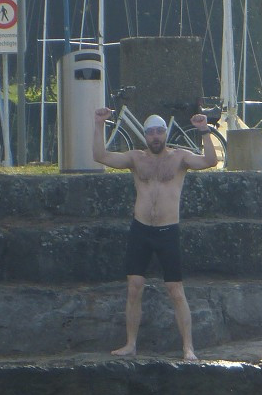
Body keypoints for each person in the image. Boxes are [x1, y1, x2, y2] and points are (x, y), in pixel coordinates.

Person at [93, 109, 218, 361]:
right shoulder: (136, 158)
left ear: (166, 133)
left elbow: (210, 161)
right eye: (150, 132)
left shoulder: (180, 157)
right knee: (134, 287)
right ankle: (130, 344)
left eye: (159, 131)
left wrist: (205, 130)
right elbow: (100, 156)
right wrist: (98, 124)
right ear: (145, 136)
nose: (155, 136)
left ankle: (188, 347)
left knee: (175, 289)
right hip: (141, 230)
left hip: (168, 231)